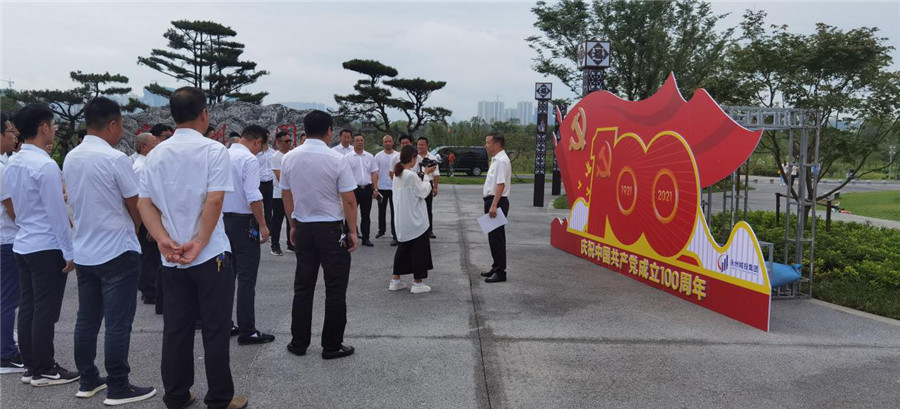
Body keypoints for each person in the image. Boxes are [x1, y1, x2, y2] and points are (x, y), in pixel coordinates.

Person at [136, 87, 247, 409]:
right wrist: (199, 241)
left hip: (171, 256)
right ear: (204, 114)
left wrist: (162, 239)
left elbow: (145, 204)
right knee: (215, 328)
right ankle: (220, 398)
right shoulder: (214, 150)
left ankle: (177, 394)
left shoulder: (155, 154)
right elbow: (215, 199)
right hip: (210, 254)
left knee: (176, 329)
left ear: (172, 116)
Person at [63, 97, 157, 404]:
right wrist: (141, 228)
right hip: (117, 249)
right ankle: (118, 385)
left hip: (85, 249)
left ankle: (88, 379)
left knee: (87, 319)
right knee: (118, 323)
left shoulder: (72, 157)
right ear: (113, 124)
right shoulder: (116, 159)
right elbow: (135, 204)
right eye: (121, 125)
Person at [1, 104, 78, 386]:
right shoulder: (45, 165)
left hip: (23, 242)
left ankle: (32, 367)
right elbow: (57, 214)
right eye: (53, 125)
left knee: (29, 307)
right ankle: (45, 368)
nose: (54, 130)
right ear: (44, 127)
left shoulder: (14, 161)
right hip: (46, 244)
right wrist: (69, 251)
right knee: (45, 309)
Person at [280, 110, 358, 360]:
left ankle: (299, 342)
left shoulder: (289, 157)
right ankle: (331, 345)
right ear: (329, 131)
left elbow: (286, 194)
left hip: (303, 227)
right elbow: (349, 200)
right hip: (331, 229)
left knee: (303, 287)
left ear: (305, 129)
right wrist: (353, 231)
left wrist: (293, 225)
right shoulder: (337, 159)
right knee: (335, 288)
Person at [223, 125, 274, 345]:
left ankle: (225, 324)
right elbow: (253, 195)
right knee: (246, 279)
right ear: (257, 142)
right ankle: (247, 330)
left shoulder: (222, 154)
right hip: (244, 223)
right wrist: (263, 224)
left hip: (222, 221)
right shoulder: (249, 160)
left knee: (226, 277)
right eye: (261, 147)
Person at [390, 145, 435, 294]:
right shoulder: (411, 175)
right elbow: (423, 192)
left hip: (402, 219)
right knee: (419, 251)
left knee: (403, 250)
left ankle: (395, 281)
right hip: (415, 220)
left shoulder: (398, 174)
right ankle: (417, 283)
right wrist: (427, 176)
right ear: (413, 158)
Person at [0, 113, 24, 374]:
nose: (14, 136)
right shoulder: (2, 169)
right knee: (8, 298)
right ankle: (6, 353)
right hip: (6, 239)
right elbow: (12, 209)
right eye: (10, 132)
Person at [133, 133, 161, 306]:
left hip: (147, 215)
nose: (157, 147)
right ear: (143, 147)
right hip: (146, 216)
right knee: (149, 255)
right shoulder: (141, 167)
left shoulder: (145, 164)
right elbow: (142, 197)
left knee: (150, 254)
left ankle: (148, 287)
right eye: (154, 145)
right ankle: (149, 290)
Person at [480, 133, 511, 283]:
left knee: (497, 238)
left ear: (497, 144)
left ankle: (500, 272)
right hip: (491, 201)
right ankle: (495, 266)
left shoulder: (502, 160)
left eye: (488, 142)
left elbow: (501, 184)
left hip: (497, 201)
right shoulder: (495, 159)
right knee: (492, 237)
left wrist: (493, 205)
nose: (486, 145)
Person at [346, 134, 378, 247]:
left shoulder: (369, 156)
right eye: (357, 140)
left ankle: (366, 238)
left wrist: (375, 188)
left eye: (361, 140)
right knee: (350, 214)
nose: (360, 142)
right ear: (353, 143)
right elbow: (345, 175)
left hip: (367, 189)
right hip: (353, 190)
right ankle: (349, 238)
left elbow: (374, 173)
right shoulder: (348, 157)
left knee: (366, 215)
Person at [270, 130, 294, 256]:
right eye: (286, 141)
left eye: (290, 141)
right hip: (279, 194)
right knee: (277, 221)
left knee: (291, 219)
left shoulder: (292, 155)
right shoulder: (275, 157)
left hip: (292, 194)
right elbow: (279, 176)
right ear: (279, 143)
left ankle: (291, 244)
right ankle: (275, 245)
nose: (289, 143)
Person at [374, 135, 399, 246]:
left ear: (393, 142)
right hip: (382, 188)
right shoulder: (378, 156)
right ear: (383, 143)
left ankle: (395, 233)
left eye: (389, 141)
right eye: (385, 141)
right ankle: (381, 230)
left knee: (395, 211)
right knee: (381, 210)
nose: (388, 143)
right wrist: (375, 187)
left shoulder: (398, 155)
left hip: (395, 187)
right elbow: (375, 173)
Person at [415, 137, 440, 239]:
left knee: (428, 207)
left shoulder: (432, 157)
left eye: (422, 144)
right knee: (416, 208)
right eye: (419, 144)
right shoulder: (414, 157)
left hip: (428, 184)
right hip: (416, 183)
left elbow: (436, 174)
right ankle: (418, 230)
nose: (420, 146)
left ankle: (429, 230)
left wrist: (435, 188)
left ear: (427, 145)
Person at [256, 135, 275, 233]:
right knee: (257, 208)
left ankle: (269, 232)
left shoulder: (273, 153)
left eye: (268, 137)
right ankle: (256, 230)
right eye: (265, 137)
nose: (267, 139)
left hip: (270, 183)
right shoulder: (256, 153)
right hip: (259, 183)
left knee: (268, 209)